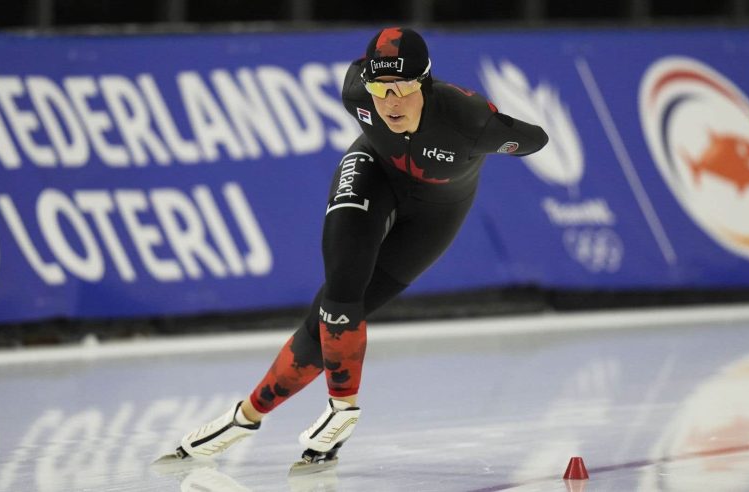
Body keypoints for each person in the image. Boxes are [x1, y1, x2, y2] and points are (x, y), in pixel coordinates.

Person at [172, 27, 548, 466]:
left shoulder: (468, 120)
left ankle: (246, 416)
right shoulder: (356, 91)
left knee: (329, 320)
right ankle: (338, 409)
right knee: (341, 289)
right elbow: (371, 88)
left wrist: (498, 136)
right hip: (373, 173)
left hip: (435, 214)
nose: (389, 102)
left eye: (402, 89)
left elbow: (536, 139)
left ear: (425, 83)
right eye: (380, 89)